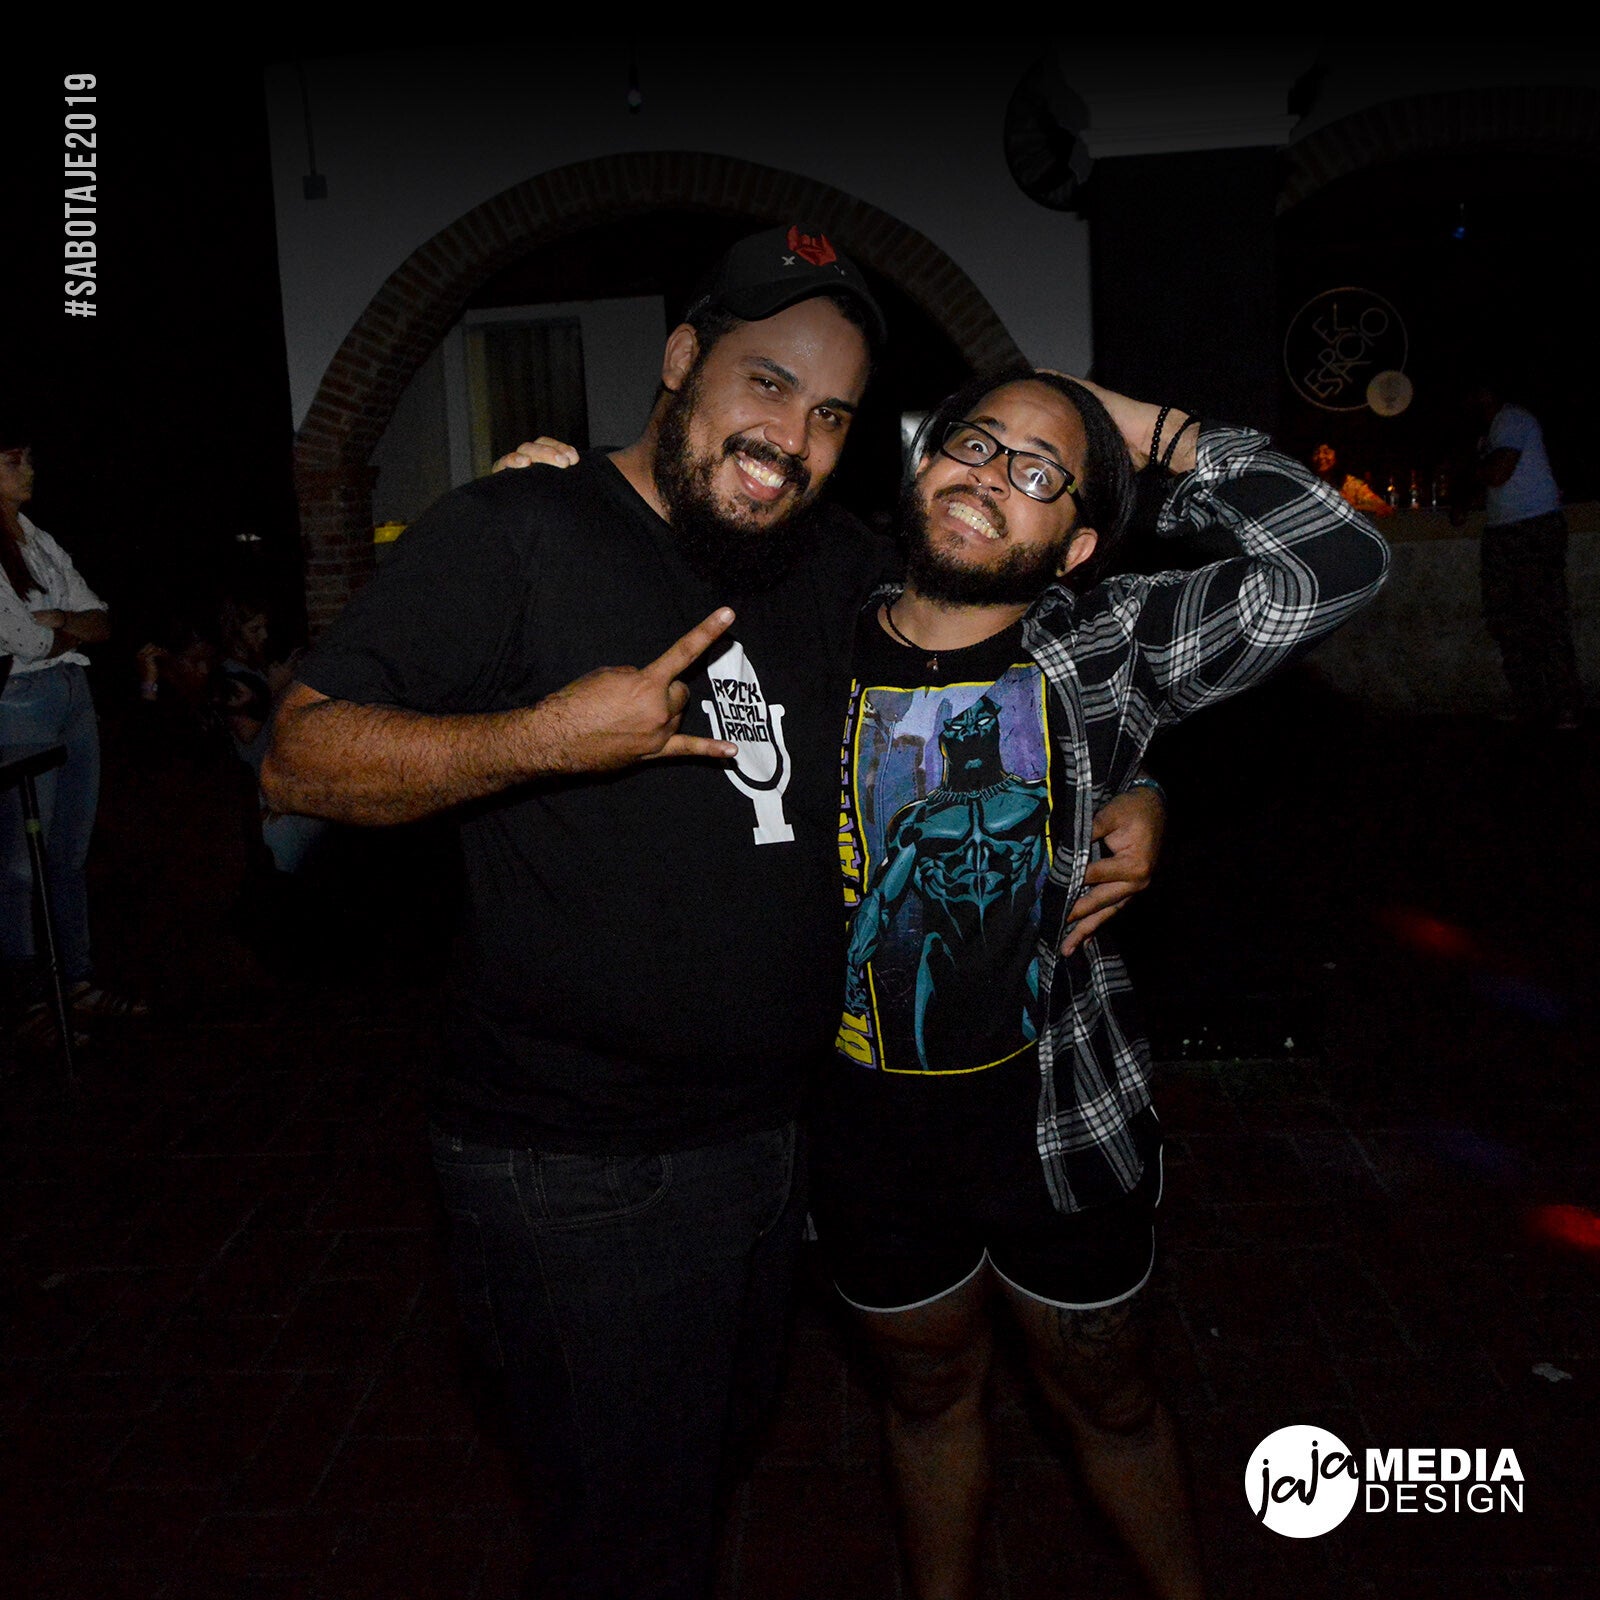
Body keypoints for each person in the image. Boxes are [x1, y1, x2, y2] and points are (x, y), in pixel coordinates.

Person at [262, 227, 1163, 1600]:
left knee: (700, 1474)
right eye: (765, 382)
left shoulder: (831, 562)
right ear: (681, 360)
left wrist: (1142, 789)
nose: (789, 438)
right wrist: (542, 740)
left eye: (831, 415)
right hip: (577, 1164)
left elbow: (1012, 650)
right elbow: (299, 760)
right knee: (626, 1531)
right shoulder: (518, 531)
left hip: (771, 1141)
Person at [502, 369, 1390, 1599]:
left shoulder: (1108, 642)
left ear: (1075, 545)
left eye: (1038, 471)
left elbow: (1337, 559)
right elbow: (659, 543)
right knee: (925, 1398)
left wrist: (1142, 428)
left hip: (1061, 1126)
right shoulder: (802, 624)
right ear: (923, 463)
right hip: (859, 1134)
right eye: (976, 443)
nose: (990, 476)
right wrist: (560, 498)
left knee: (1110, 1402)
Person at [0, 427, 142, 1048]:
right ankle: (27, 1000)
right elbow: (23, 641)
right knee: (17, 862)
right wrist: (62, 629)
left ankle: (75, 979)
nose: (28, 469)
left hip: (73, 695)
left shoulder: (37, 538)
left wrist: (61, 621)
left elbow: (102, 619)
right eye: (14, 461)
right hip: (20, 702)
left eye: (28, 458)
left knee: (68, 851)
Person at [1463, 382, 1582, 728]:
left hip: (1533, 526)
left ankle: (1566, 702)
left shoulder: (1512, 419)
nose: (1470, 399)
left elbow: (1499, 473)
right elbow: (1497, 485)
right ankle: (1530, 700)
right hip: (1504, 529)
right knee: (1507, 619)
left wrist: (1469, 471)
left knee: (1545, 616)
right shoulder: (1489, 434)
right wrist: (1466, 502)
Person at [1310, 442, 1392, 517]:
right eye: (1316, 453)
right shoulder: (1309, 482)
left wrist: (1348, 508)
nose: (1320, 456)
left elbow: (1382, 507)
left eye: (1326, 452)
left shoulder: (1351, 484)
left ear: (1337, 456)